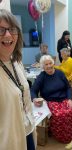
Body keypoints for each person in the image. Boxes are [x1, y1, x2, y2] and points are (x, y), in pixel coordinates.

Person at [0, 9, 35, 150]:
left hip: (27, 131)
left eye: (12, 29)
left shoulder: (17, 62)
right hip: (8, 142)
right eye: (1, 30)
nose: (8, 35)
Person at [31, 55, 72, 143]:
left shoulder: (60, 73)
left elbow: (68, 87)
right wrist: (34, 99)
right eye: (46, 64)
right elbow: (33, 90)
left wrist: (70, 99)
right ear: (43, 67)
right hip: (51, 101)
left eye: (50, 63)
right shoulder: (41, 76)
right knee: (60, 115)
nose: (49, 66)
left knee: (71, 112)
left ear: (53, 63)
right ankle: (62, 137)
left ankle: (71, 135)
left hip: (64, 99)